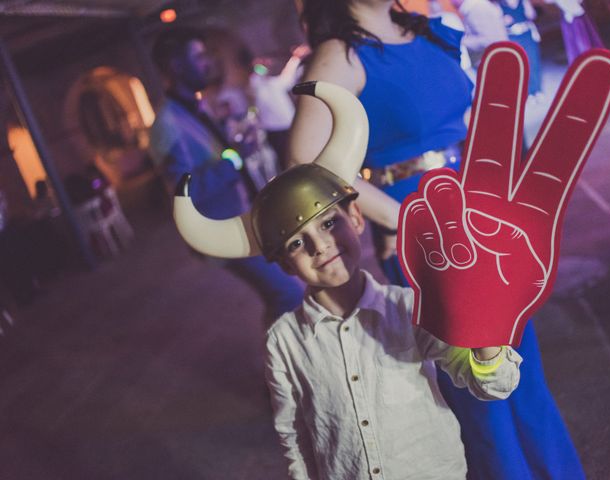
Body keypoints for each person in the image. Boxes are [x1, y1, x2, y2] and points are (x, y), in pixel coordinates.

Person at [287, 1, 585, 478]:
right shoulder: (338, 55)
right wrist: (402, 220)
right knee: (480, 394)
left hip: (474, 208)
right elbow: (306, 163)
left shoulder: (425, 32)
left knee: (523, 375)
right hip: (423, 232)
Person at [172, 81, 522, 479]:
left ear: (356, 219)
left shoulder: (407, 307)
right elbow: (295, 434)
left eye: (330, 223)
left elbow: (493, 385)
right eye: (297, 243)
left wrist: (485, 334)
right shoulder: (283, 342)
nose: (321, 246)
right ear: (284, 265)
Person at [148, 27, 303, 321]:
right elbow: (185, 193)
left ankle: (282, 361)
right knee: (287, 293)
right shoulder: (167, 124)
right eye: (199, 56)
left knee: (283, 292)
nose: (208, 61)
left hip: (240, 218)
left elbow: (215, 154)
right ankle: (281, 364)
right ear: (175, 66)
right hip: (220, 231)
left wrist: (237, 146)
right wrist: (234, 162)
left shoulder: (194, 105)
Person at [498, 0, 543, 97]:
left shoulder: (523, 1)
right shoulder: (500, 5)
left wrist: (529, 10)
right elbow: (496, 24)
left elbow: (532, 16)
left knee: (533, 61)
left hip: (526, 34)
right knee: (520, 64)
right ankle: (527, 92)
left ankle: (537, 90)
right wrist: (503, 20)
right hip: (512, 37)